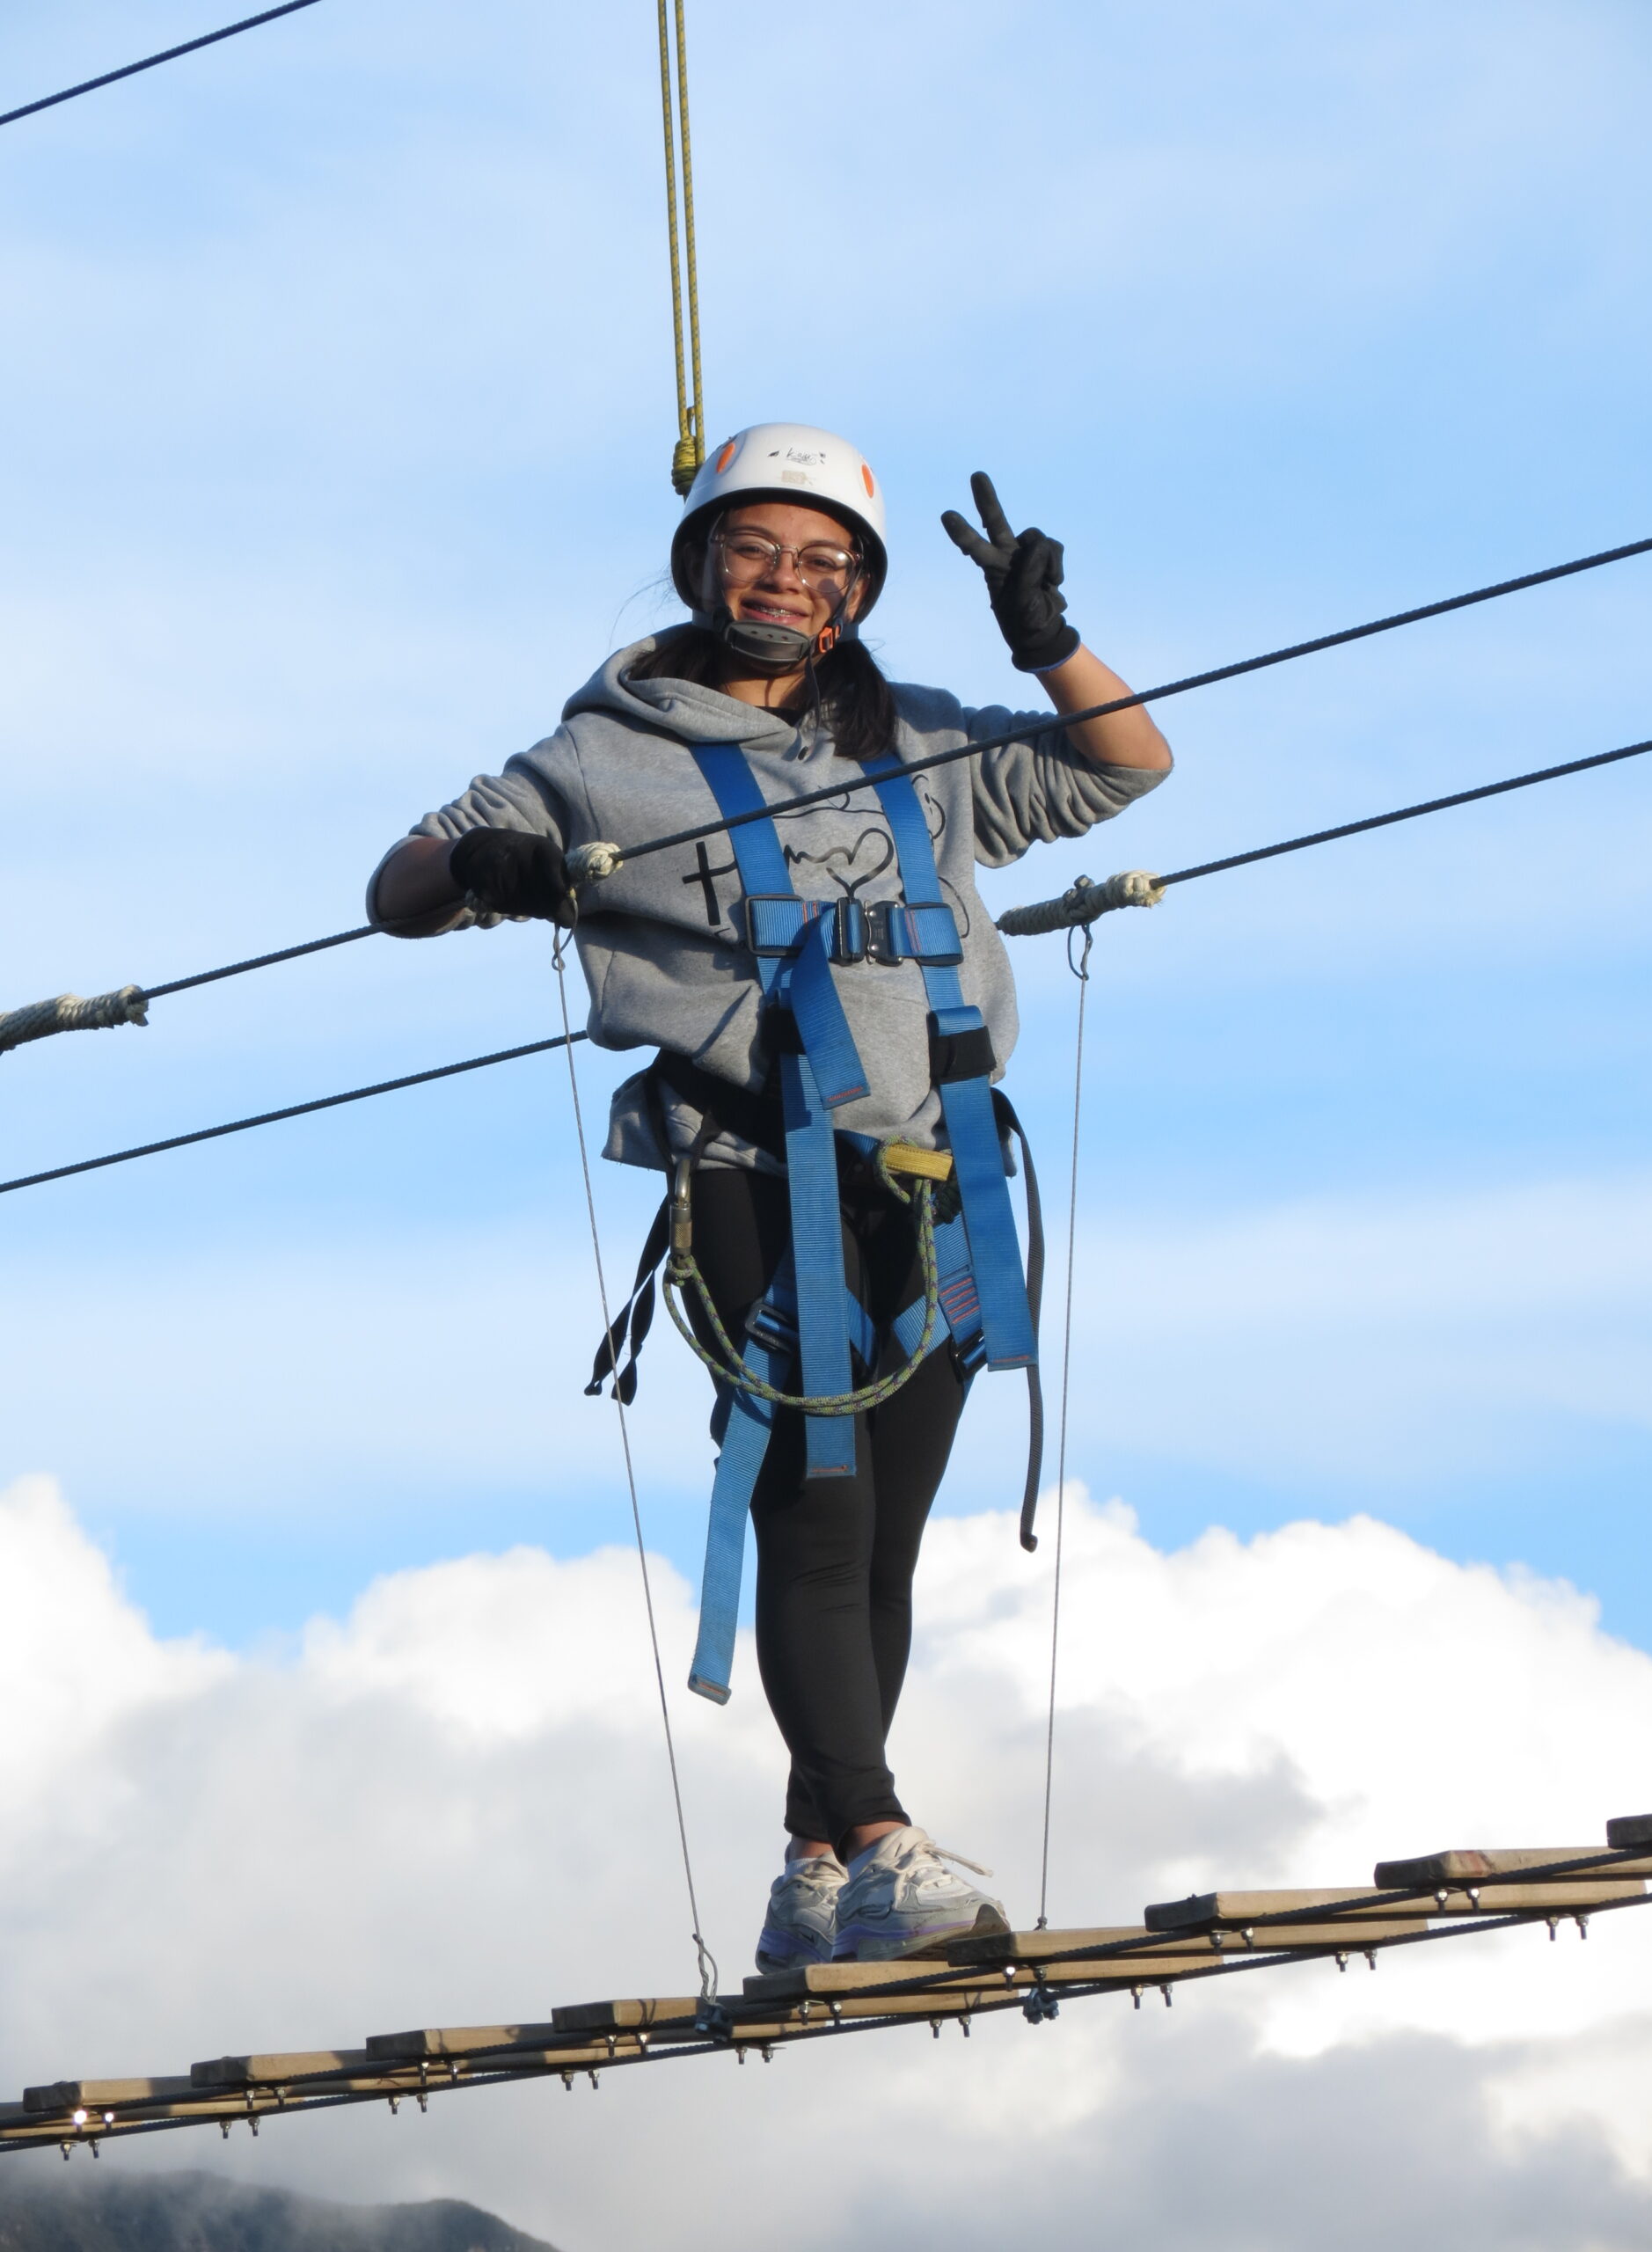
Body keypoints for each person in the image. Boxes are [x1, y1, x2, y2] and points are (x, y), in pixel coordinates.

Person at [367, 422, 1171, 1968]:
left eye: (824, 560)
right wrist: (484, 872)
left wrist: (1048, 644)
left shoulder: (916, 738)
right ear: (701, 564)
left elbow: (1125, 763)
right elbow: (397, 884)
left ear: (859, 588)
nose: (787, 582)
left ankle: (816, 1870)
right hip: (752, 1165)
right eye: (756, 549)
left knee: (884, 1545)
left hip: (938, 1172)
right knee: (817, 1501)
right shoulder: (597, 756)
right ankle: (875, 1841)